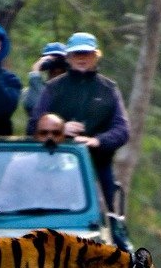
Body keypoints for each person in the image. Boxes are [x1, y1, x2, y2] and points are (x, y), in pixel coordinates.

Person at [27, 32, 130, 212]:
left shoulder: (109, 89)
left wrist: (97, 141)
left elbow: (122, 130)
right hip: (53, 164)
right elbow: (33, 126)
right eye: (76, 54)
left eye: (86, 53)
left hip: (97, 165)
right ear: (68, 57)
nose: (81, 58)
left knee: (111, 220)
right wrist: (59, 128)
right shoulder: (53, 87)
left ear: (96, 56)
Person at [0, 114, 83, 211]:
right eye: (43, 133)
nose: (50, 138)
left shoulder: (76, 169)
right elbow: (3, 205)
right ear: (36, 136)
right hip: (26, 223)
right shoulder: (18, 166)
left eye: (56, 133)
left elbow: (81, 206)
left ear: (63, 137)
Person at [20, 42, 68, 117]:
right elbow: (35, 108)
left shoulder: (74, 88)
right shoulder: (31, 90)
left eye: (60, 59)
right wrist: (35, 72)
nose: (56, 63)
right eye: (52, 59)